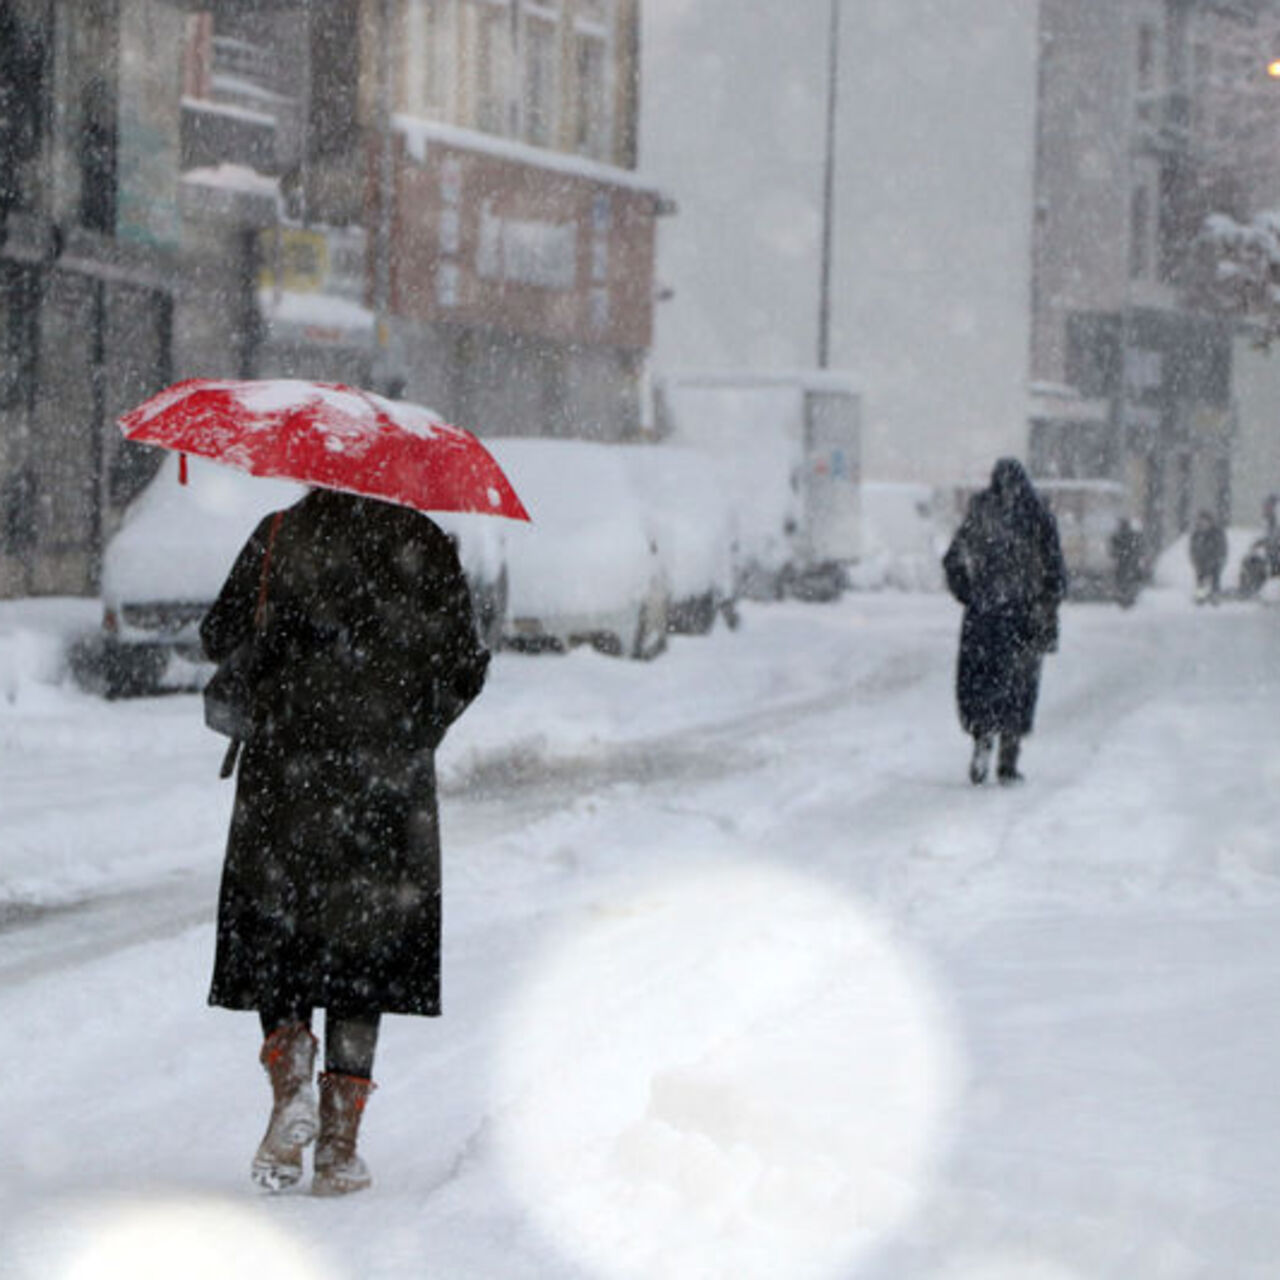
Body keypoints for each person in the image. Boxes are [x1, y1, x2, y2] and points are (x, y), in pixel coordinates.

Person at [200, 488, 490, 1196]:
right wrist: (412, 727)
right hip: (383, 782)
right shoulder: (422, 541)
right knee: (363, 951)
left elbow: (219, 634)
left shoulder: (277, 533)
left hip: (284, 771)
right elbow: (463, 665)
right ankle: (336, 1147)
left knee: (280, 932)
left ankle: (291, 1079)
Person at [943, 458, 1067, 786]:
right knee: (1018, 687)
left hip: (984, 617)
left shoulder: (981, 513)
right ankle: (1008, 761)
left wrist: (968, 593)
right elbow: (1055, 570)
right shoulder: (1038, 516)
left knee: (981, 683)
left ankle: (982, 737)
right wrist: (1048, 604)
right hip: (1023, 617)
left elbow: (953, 558)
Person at [1189, 509, 1227, 604]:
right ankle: (1200, 597)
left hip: (1214, 562)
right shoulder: (1197, 534)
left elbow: (1221, 548)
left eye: (1204, 521)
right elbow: (1192, 548)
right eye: (1200, 520)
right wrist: (1195, 559)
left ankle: (1215, 597)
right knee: (1200, 579)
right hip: (1201, 562)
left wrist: (1216, 560)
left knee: (1215, 578)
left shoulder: (1216, 533)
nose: (1202, 523)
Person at [1108, 516, 1144, 608]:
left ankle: (1124, 597)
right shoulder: (1133, 535)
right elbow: (1139, 548)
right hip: (1130, 563)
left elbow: (1112, 552)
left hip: (1123, 563)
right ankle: (1128, 597)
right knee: (1129, 580)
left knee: (1122, 580)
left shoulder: (1117, 536)